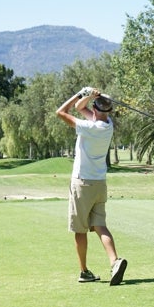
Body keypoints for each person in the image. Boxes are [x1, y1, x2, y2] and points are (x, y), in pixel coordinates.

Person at [55, 87, 128, 285]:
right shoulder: (107, 124)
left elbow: (61, 112)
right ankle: (114, 262)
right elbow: (81, 108)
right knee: (100, 225)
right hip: (99, 184)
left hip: (82, 183)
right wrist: (88, 96)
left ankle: (84, 271)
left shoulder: (90, 127)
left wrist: (80, 93)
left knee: (80, 229)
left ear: (94, 109)